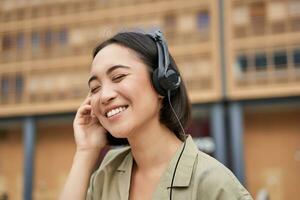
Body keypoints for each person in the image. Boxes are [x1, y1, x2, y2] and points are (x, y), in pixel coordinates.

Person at [59, 30, 253, 200]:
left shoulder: (214, 184)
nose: (104, 96)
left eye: (118, 77)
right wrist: (85, 152)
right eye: (95, 88)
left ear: (162, 83)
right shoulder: (107, 173)